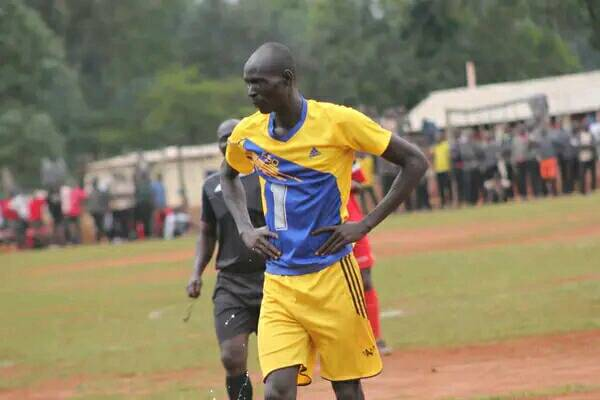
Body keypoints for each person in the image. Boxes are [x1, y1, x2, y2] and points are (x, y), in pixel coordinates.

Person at [220, 42, 428, 400]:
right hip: (280, 283)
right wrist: (244, 228)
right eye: (247, 83)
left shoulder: (338, 122)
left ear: (287, 80)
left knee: (346, 390)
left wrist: (365, 225)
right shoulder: (248, 133)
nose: (251, 91)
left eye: (259, 82)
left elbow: (414, 161)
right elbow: (228, 176)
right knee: (276, 392)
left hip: (333, 276)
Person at [186, 119, 266, 400]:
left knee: (277, 365)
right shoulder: (211, 186)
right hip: (232, 285)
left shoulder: (267, 175)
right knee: (231, 357)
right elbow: (207, 235)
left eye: (234, 135)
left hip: (272, 280)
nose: (228, 141)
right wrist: (196, 272)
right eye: (223, 138)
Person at [348, 161, 391, 355]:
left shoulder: (346, 150)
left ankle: (376, 338)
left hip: (353, 224)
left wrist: (336, 182)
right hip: (322, 227)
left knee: (365, 281)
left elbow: (359, 185)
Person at [432, 131, 453, 208]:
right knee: (441, 188)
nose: (437, 138)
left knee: (448, 187)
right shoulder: (435, 147)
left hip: (446, 170)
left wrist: (450, 168)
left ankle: (450, 202)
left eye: (438, 137)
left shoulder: (446, 145)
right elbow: (433, 157)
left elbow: (449, 158)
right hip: (438, 170)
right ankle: (443, 203)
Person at [87, 178, 111, 242]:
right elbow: (106, 199)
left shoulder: (91, 193)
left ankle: (98, 238)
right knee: (100, 225)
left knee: (97, 225)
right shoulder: (99, 192)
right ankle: (101, 238)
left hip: (94, 212)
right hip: (99, 211)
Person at [577, 123, 597, 194]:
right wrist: (586, 146)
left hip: (590, 157)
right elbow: (578, 145)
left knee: (592, 174)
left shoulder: (591, 135)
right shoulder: (580, 135)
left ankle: (593, 188)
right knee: (582, 174)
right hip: (582, 158)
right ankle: (582, 190)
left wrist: (587, 146)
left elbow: (593, 144)